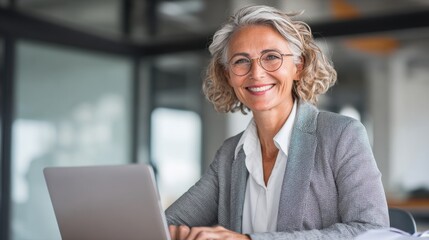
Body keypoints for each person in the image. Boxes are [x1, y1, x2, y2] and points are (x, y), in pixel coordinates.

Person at [165, 5, 389, 240]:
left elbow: (372, 230)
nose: (256, 73)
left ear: (298, 66)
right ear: (227, 74)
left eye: (271, 57)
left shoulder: (342, 135)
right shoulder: (229, 155)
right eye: (241, 61)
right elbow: (169, 222)